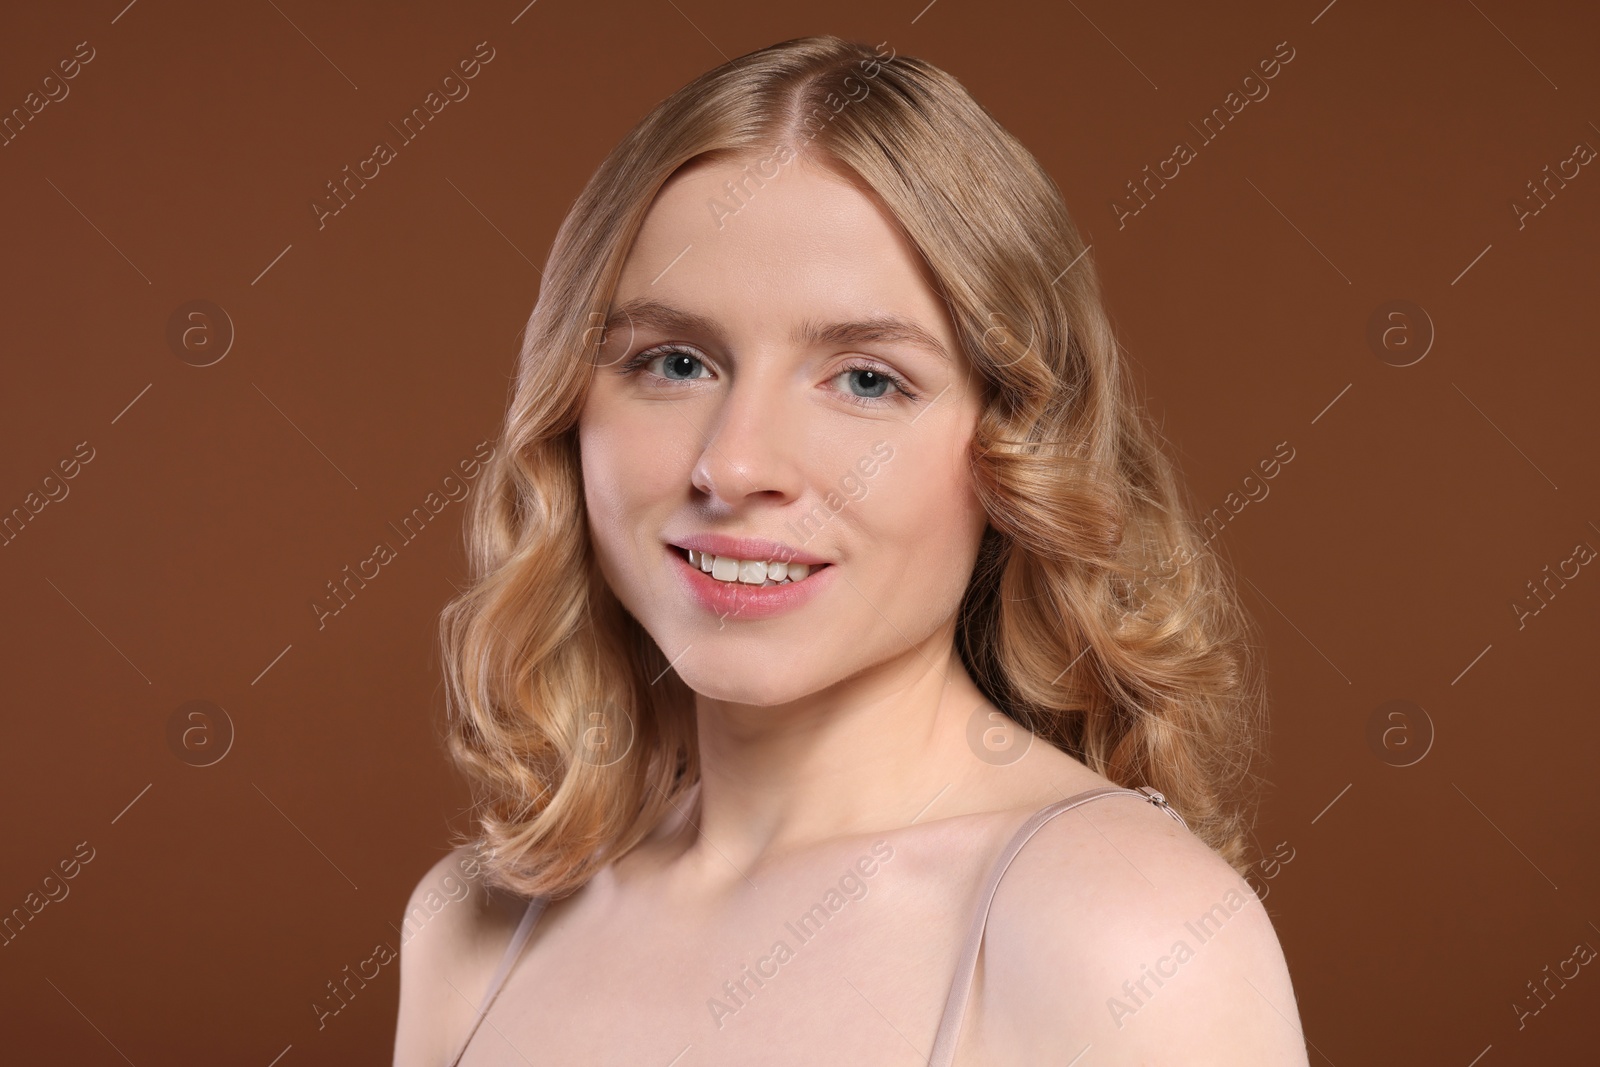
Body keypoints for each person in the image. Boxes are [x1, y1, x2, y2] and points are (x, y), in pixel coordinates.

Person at [394, 34, 1308, 1066]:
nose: (734, 464)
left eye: (867, 379)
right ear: (567, 406)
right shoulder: (474, 927)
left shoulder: (1122, 933)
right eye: (676, 361)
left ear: (1018, 446)